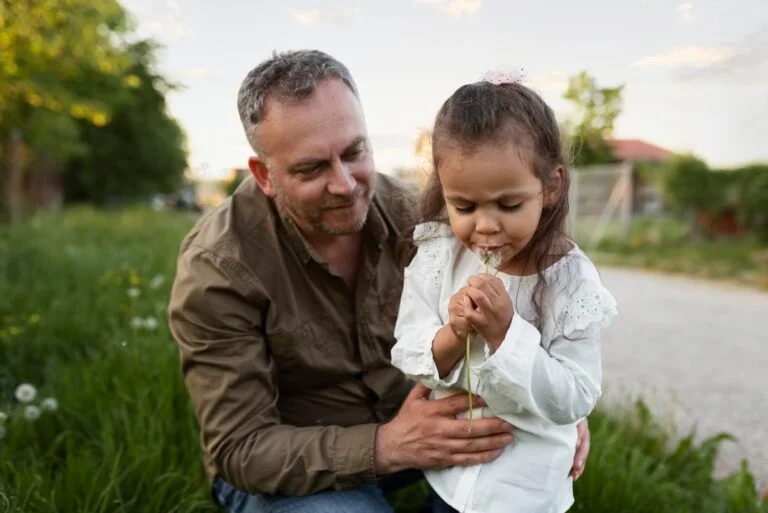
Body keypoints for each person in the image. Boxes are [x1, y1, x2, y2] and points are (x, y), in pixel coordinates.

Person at [167, 50, 592, 513]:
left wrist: (552, 403)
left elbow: (523, 297)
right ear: (265, 175)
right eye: (312, 168)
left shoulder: (420, 217)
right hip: (295, 465)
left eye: (355, 152)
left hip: (426, 420)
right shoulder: (218, 267)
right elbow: (241, 449)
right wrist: (388, 445)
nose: (346, 184)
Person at [390, 70, 618, 513]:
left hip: (524, 493)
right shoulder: (441, 257)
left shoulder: (571, 282)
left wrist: (506, 333)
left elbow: (575, 397)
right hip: (449, 480)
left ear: (550, 186)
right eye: (464, 206)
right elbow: (409, 353)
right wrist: (453, 335)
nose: (486, 225)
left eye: (509, 205)